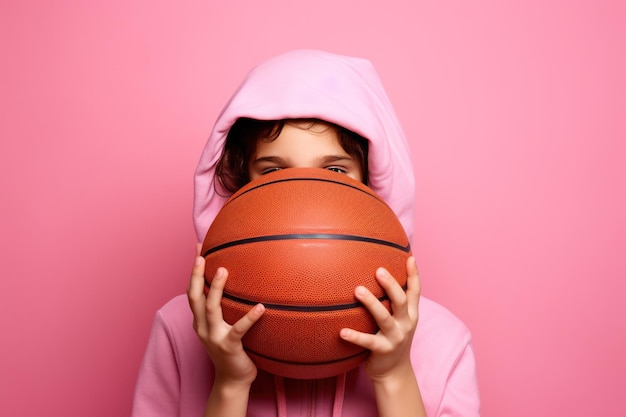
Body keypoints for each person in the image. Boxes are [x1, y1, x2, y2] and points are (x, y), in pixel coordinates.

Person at [132, 50, 480, 417]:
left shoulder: (442, 342)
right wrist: (230, 384)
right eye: (272, 173)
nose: (303, 195)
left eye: (334, 171)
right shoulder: (177, 331)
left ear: (373, 185)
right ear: (239, 187)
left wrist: (394, 376)